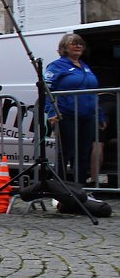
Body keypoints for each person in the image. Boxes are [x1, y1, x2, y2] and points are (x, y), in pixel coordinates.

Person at [44, 33, 107, 184]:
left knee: (83, 154)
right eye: (74, 43)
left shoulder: (85, 67)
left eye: (81, 44)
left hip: (87, 117)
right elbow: (47, 90)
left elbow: (92, 93)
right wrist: (52, 112)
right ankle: (60, 188)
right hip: (66, 114)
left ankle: (80, 188)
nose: (78, 46)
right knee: (65, 152)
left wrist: (99, 115)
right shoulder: (56, 66)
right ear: (64, 47)